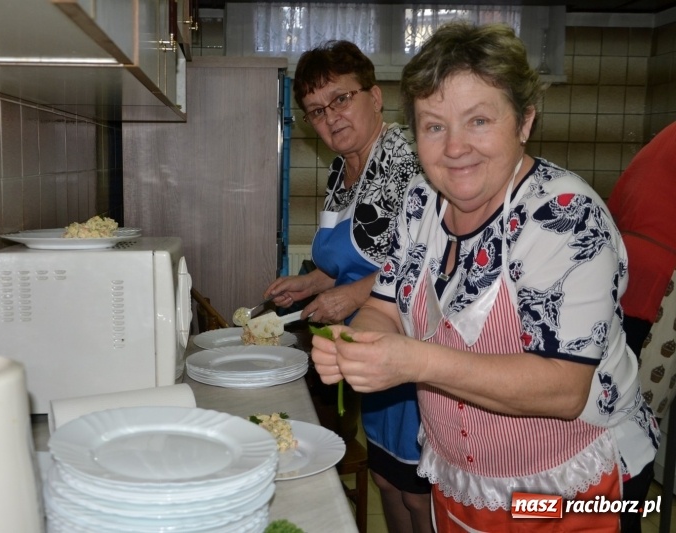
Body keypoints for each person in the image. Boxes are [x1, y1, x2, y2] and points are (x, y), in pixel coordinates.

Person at [310, 22, 660, 532]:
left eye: (478, 120)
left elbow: (564, 388)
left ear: (524, 121)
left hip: (572, 487)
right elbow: (385, 304)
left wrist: (412, 360)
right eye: (434, 126)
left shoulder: (563, 215)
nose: (454, 149)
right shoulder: (419, 203)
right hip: (463, 479)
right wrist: (359, 342)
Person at [264, 41, 433, 533]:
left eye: (341, 99)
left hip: (411, 342)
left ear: (375, 97)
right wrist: (309, 283)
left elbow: (423, 260)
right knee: (385, 478)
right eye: (317, 110)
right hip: (366, 351)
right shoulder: (342, 169)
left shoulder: (409, 160)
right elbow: (357, 257)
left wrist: (354, 296)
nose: (331, 117)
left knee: (416, 489)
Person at [607, 121, 676, 532]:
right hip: (660, 285)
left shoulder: (667, 135)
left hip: (624, 274)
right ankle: (622, 519)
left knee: (620, 409)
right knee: (637, 416)